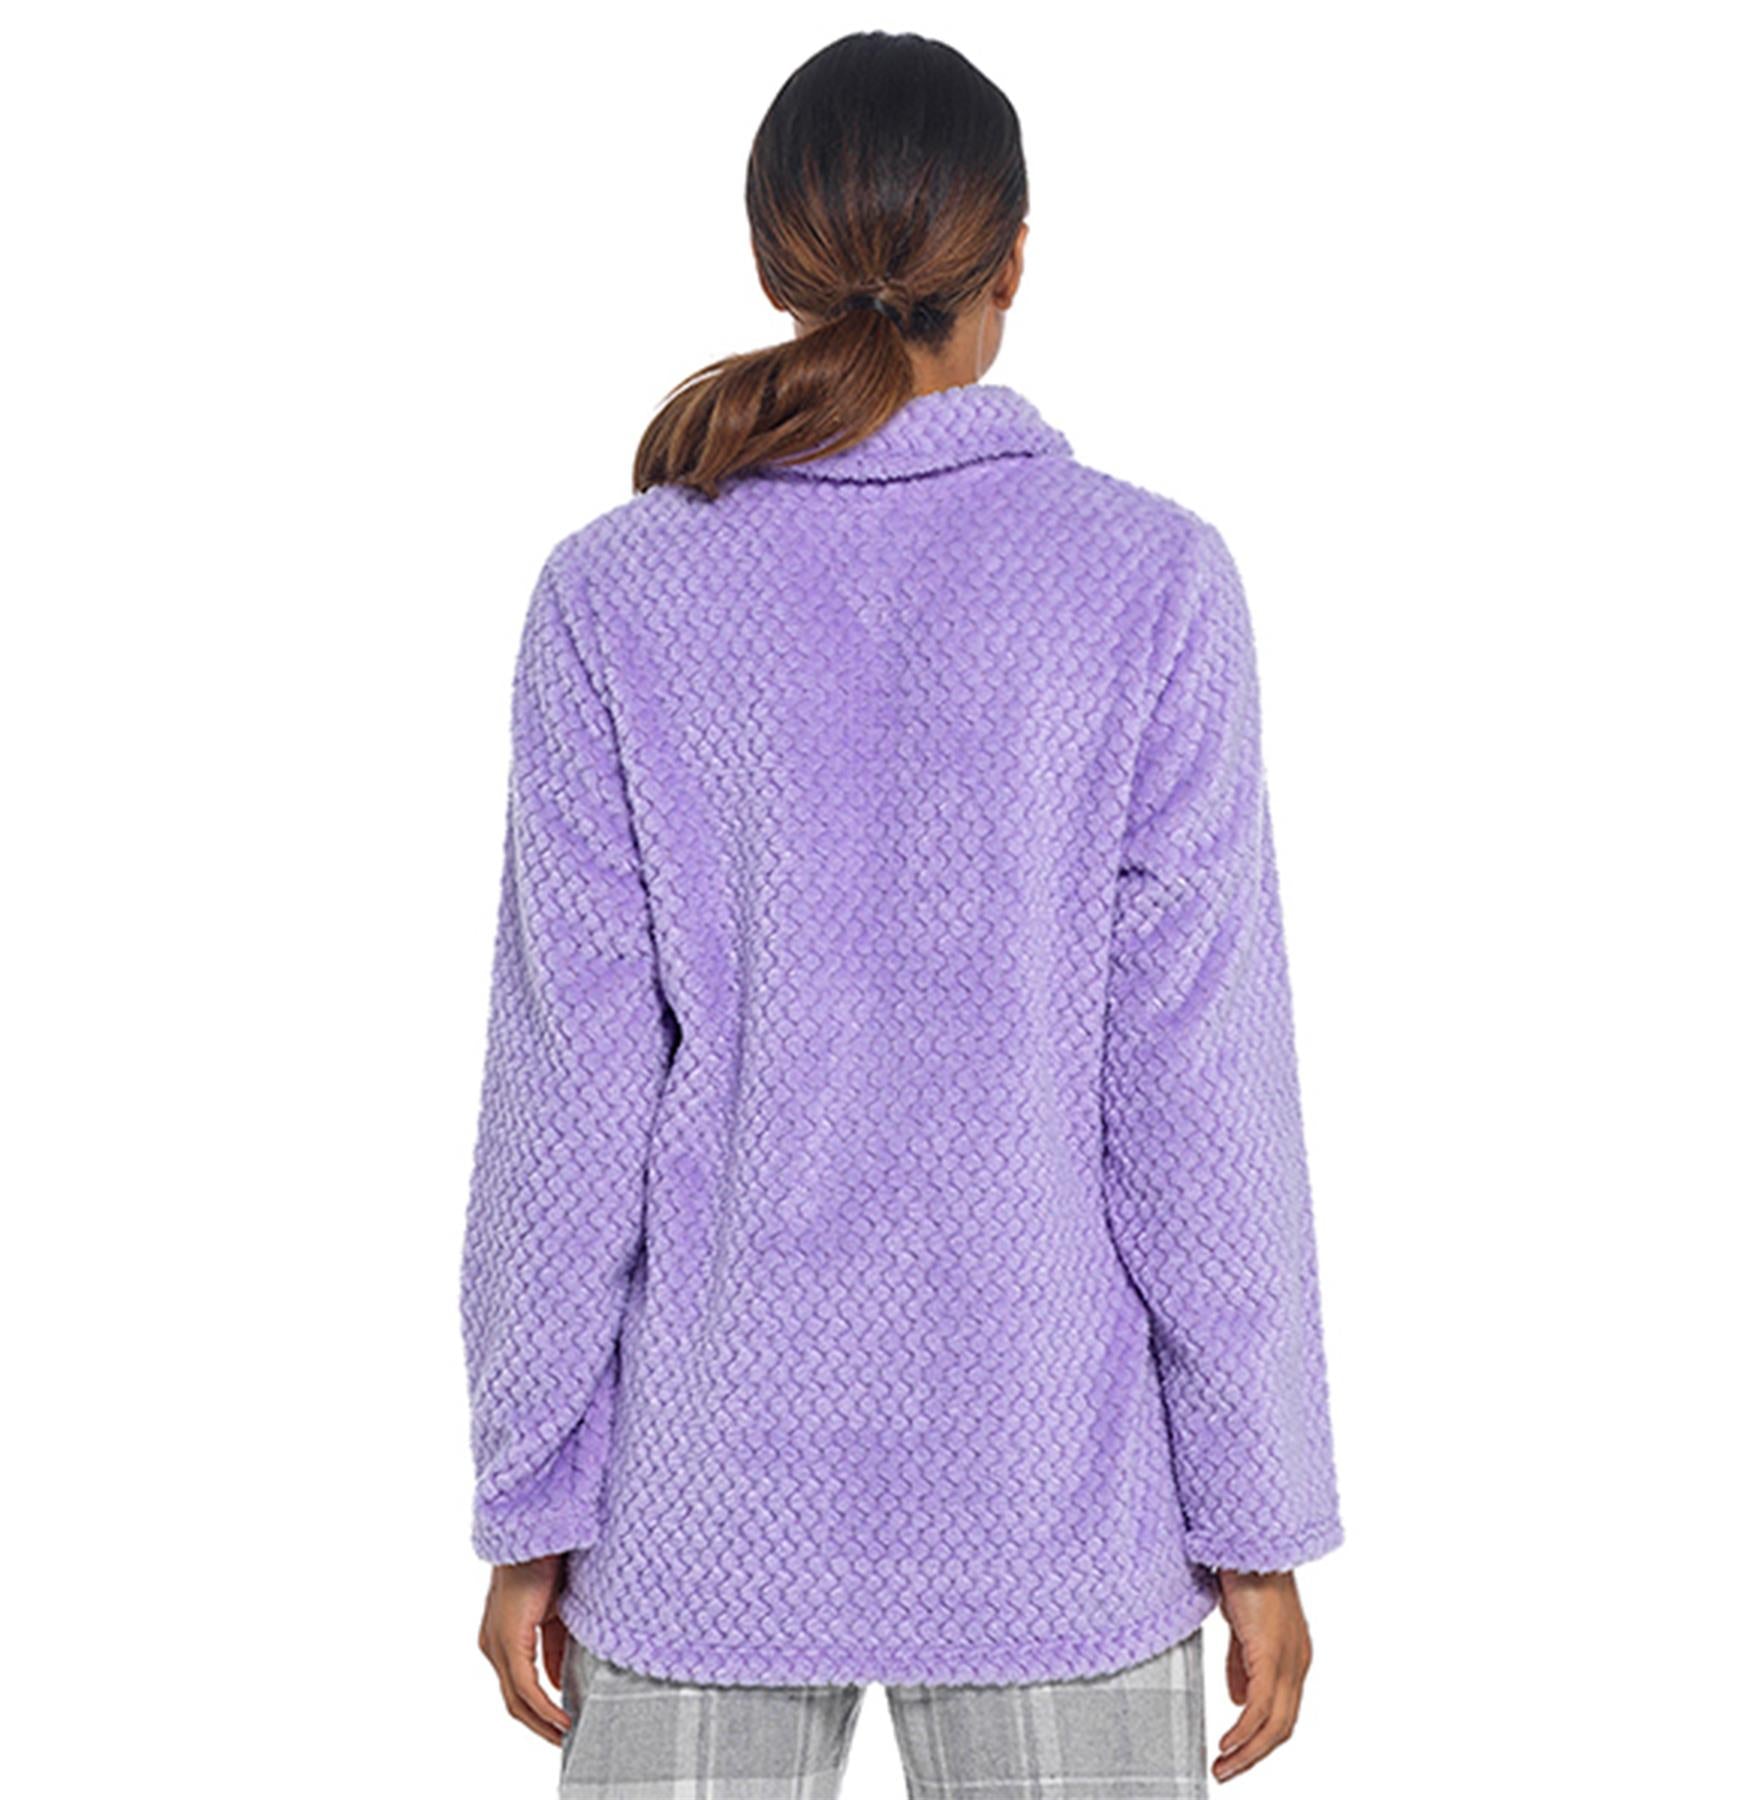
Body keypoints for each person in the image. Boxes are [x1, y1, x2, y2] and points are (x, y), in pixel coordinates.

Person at [459, 29, 1344, 1797]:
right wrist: (1255, 1519)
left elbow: (569, 1097)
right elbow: (1199, 1098)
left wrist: (532, 1490)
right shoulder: (1151, 582)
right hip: (1052, 1502)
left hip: (703, 1504)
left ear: (770, 263)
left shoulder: (615, 594)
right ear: (1011, 261)